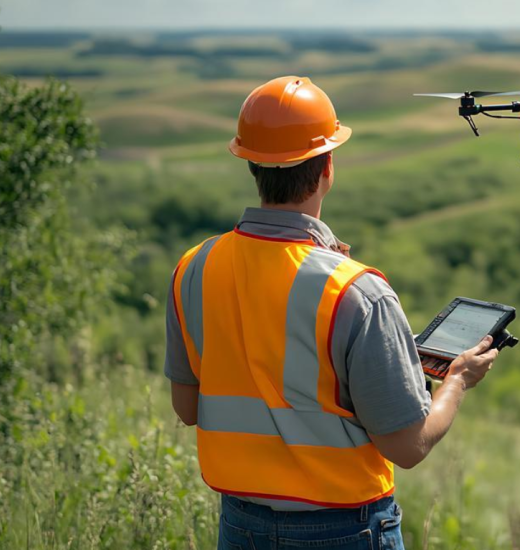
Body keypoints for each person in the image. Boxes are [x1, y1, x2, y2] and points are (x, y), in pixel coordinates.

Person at [163, 76, 498, 549]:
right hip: (346, 530)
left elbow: (187, 407)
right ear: (327, 167)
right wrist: (458, 379)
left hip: (240, 526)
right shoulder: (356, 292)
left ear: (251, 165)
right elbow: (408, 447)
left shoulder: (193, 268)